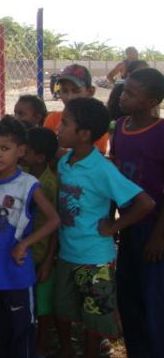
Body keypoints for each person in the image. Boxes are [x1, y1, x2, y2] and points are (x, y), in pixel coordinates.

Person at [54, 97, 154, 358]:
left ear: (84, 134)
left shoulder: (102, 169)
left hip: (95, 259)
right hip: (66, 253)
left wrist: (113, 227)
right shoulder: (65, 162)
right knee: (63, 309)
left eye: (65, 123)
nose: (58, 128)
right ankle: (66, 350)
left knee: (94, 316)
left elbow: (145, 203)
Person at [0, 117, 60, 358]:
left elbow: (54, 219)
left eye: (4, 148)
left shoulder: (28, 184)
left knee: (23, 326)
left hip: (18, 270)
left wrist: (24, 244)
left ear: (21, 151)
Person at [111, 68, 164, 357]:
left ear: (150, 101)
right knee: (128, 295)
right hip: (127, 226)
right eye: (124, 88)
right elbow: (112, 176)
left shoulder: (161, 133)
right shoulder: (119, 127)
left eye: (131, 93)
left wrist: (159, 236)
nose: (122, 95)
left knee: (153, 299)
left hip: (153, 229)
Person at [20, 127, 60, 358]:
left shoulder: (49, 183)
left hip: (41, 254)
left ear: (40, 157)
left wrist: (48, 261)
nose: (21, 151)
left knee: (42, 305)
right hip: (22, 252)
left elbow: (55, 226)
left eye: (26, 149)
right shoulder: (21, 171)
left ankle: (41, 346)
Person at [43, 64, 109, 155]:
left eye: (76, 91)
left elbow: (96, 157)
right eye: (65, 91)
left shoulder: (96, 122)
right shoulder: (52, 119)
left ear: (90, 91)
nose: (70, 97)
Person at [106, 60, 149, 125]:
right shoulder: (120, 90)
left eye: (148, 72)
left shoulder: (150, 91)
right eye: (141, 73)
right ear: (129, 74)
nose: (147, 76)